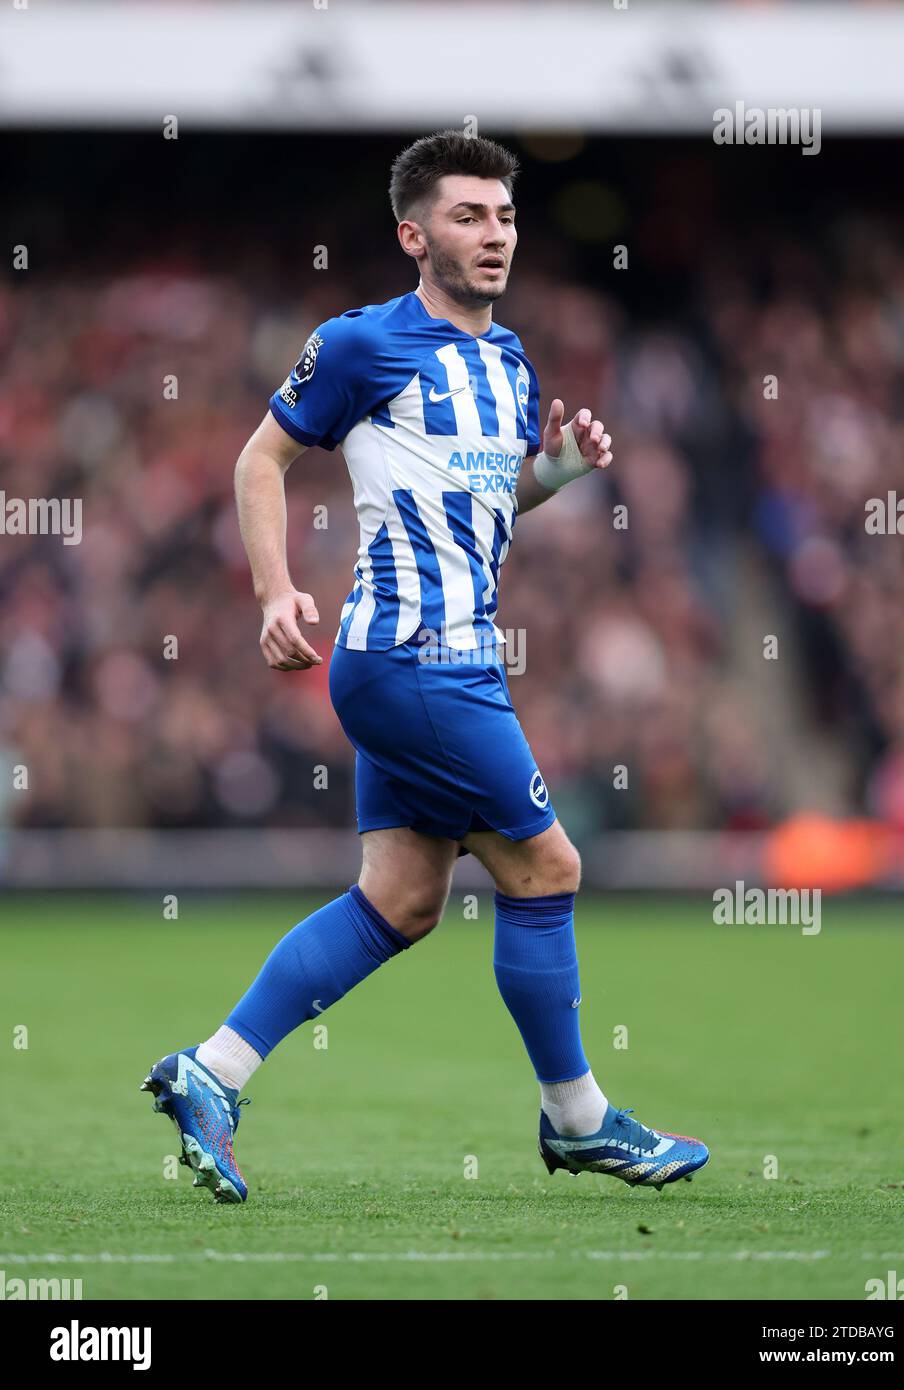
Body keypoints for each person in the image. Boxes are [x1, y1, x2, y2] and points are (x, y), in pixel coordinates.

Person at [141, 130, 709, 1202]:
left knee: (400, 899)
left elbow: (489, 505)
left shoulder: (510, 360)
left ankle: (209, 1072)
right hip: (413, 659)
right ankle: (576, 1118)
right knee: (546, 869)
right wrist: (272, 590)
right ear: (413, 235)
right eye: (465, 216)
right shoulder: (360, 343)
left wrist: (556, 470)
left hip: (444, 661)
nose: (492, 235)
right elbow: (258, 457)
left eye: (501, 216)